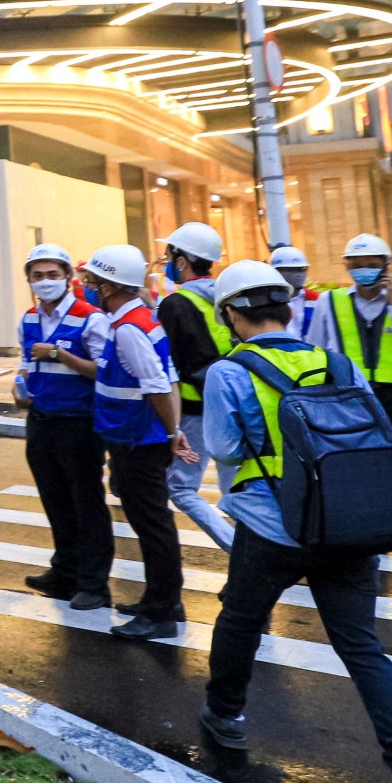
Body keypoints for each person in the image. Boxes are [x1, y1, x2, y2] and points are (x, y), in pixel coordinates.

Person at [199, 260, 392, 783]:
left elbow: (225, 448)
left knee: (240, 619)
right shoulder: (337, 364)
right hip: (347, 525)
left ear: (232, 314)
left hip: (273, 527)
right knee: (363, 649)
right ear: (287, 307)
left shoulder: (230, 371)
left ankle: (225, 715)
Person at [75, 245, 192, 640]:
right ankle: (163, 600)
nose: (86, 287)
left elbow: (158, 385)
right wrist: (173, 430)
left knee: (153, 525)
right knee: (153, 523)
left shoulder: (128, 329)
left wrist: (172, 432)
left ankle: (161, 613)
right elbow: (169, 377)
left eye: (91, 282)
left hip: (137, 442)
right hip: (138, 439)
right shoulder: (138, 320)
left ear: (108, 286)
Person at [307, 233, 392, 566]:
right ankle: (357, 536)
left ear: (386, 267)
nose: (364, 271)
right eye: (357, 266)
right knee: (350, 466)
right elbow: (316, 347)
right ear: (347, 267)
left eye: (372, 265)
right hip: (349, 396)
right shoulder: (331, 301)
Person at [15, 243, 115, 611]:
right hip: (41, 419)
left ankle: (94, 583)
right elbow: (26, 363)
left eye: (52, 275)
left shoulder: (91, 318)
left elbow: (105, 371)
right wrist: (19, 385)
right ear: (28, 280)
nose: (45, 282)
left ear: (68, 278)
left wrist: (61, 355)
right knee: (55, 500)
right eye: (38, 276)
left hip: (80, 423)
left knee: (87, 504)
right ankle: (65, 570)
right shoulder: (28, 319)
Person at [154, 222, 237, 550]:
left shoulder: (174, 305)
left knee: (181, 488)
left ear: (183, 261)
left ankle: (236, 546)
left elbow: (165, 367)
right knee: (235, 492)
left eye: (169, 256)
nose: (168, 263)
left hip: (195, 414)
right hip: (236, 405)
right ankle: (253, 553)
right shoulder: (228, 297)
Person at [270, 245, 318, 337]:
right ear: (276, 271)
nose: (299, 275)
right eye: (292, 270)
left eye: (302, 269)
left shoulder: (315, 299)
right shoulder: (265, 300)